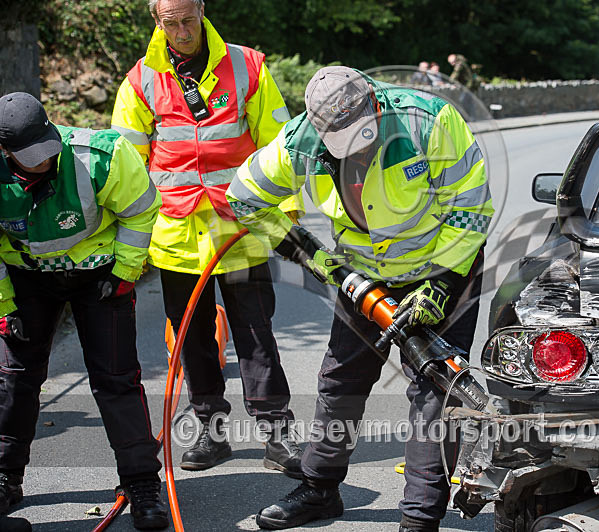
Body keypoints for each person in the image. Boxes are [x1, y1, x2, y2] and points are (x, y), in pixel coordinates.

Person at [227, 66, 493, 531]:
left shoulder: (428, 122)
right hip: (365, 276)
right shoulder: (299, 144)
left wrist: (441, 285)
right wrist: (310, 255)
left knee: (435, 394)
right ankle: (319, 489)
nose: (359, 148)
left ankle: (419, 518)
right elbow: (244, 198)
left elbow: (470, 209)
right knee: (340, 382)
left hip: (444, 266)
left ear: (373, 99)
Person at [111, 0, 303, 476]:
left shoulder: (247, 65)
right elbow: (126, 166)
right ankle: (211, 429)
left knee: (256, 334)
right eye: (170, 23)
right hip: (176, 233)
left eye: (188, 19)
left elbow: (279, 145)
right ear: (157, 21)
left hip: (240, 228)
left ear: (202, 10)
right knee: (191, 340)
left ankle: (277, 433)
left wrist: (288, 218)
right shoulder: (141, 81)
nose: (181, 32)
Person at [0, 92, 167, 529]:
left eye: (47, 149)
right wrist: (3, 304)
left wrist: (127, 270)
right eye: (30, 158)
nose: (44, 162)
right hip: (27, 278)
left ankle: (142, 483)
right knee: (15, 379)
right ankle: (4, 476)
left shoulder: (101, 157)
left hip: (100, 274)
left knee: (117, 380)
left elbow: (142, 209)